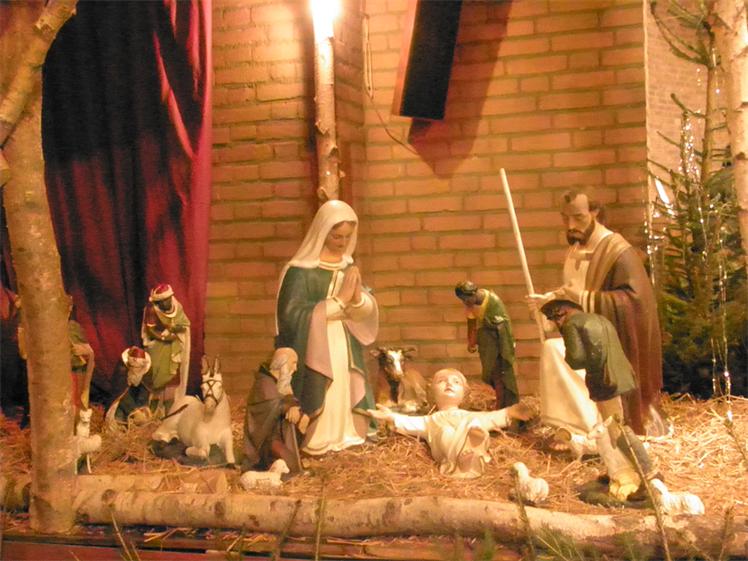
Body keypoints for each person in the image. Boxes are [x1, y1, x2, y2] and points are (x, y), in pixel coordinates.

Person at [527, 190, 664, 436]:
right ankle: (572, 427)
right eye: (565, 218)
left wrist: (582, 298)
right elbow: (571, 292)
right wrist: (548, 303)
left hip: (611, 339)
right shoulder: (575, 248)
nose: (571, 225)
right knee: (553, 350)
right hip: (584, 332)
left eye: (578, 217)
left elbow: (634, 302)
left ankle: (595, 426)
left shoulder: (617, 251)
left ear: (595, 213)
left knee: (558, 353)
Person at [275, 200, 378, 455]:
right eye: (336, 236)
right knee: (322, 386)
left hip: (344, 340)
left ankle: (346, 433)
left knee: (343, 386)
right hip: (314, 344)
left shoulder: (347, 266)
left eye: (347, 237)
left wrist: (358, 299)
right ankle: (317, 437)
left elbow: (361, 311)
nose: (342, 242)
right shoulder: (300, 271)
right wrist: (338, 301)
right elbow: (291, 315)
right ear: (322, 231)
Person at [540, 300, 659, 501]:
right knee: (608, 428)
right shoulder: (599, 319)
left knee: (617, 431)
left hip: (605, 382)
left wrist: (568, 351)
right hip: (621, 377)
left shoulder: (572, 324)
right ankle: (619, 469)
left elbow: (576, 359)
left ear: (561, 314)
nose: (555, 324)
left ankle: (649, 475)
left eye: (553, 319)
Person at [368, 368, 534, 479]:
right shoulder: (430, 420)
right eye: (442, 381)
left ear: (464, 394)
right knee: (445, 431)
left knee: (475, 423)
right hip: (448, 456)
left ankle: (472, 448)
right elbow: (410, 422)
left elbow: (492, 417)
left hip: (471, 447)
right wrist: (391, 416)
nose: (449, 384)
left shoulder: (468, 415)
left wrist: (511, 412)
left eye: (456, 382)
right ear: (432, 392)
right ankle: (460, 456)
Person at [242, 347, 307, 476]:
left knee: (304, 419)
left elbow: (288, 399)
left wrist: (294, 408)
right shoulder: (264, 383)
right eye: (293, 363)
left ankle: (293, 455)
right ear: (282, 363)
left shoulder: (281, 382)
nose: (295, 369)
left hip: (278, 434)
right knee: (290, 465)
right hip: (264, 440)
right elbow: (274, 405)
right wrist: (289, 407)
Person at [454, 281, 518, 409]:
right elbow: (471, 325)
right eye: (463, 300)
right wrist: (471, 342)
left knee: (501, 376)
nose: (465, 302)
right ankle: (498, 403)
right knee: (491, 375)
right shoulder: (472, 305)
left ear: (474, 293)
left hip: (499, 347)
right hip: (487, 347)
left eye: (466, 299)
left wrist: (487, 327)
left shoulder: (493, 302)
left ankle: (505, 405)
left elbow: (502, 325)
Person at [141, 283, 191, 408]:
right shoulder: (152, 309)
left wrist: (174, 329)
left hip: (174, 348)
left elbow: (184, 325)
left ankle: (169, 407)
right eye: (162, 301)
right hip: (157, 346)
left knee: (172, 378)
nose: (165, 303)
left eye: (167, 299)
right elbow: (150, 330)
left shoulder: (177, 306)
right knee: (156, 378)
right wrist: (164, 337)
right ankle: (153, 408)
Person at [105, 346, 154, 428]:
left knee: (143, 420)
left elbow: (145, 390)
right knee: (119, 420)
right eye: (133, 367)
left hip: (136, 402)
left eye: (138, 368)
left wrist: (142, 408)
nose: (135, 371)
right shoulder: (122, 372)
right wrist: (134, 410)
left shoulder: (146, 373)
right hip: (122, 404)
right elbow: (121, 394)